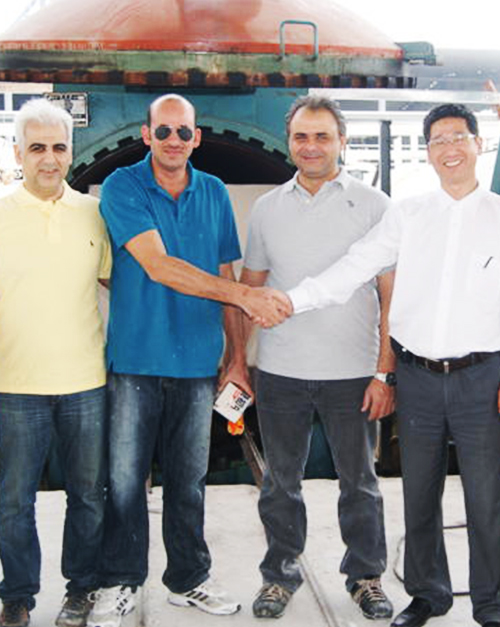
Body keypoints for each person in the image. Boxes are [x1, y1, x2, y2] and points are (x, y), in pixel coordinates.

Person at [280, 103, 500, 627]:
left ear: (478, 144)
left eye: (458, 137)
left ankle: (492, 604)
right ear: (427, 152)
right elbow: (354, 267)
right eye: (438, 141)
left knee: (486, 497)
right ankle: (427, 594)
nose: (449, 149)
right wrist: (291, 300)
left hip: (481, 377)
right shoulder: (408, 215)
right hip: (418, 377)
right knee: (418, 492)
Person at [87, 94, 285, 627]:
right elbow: (158, 266)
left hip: (198, 364)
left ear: (196, 138)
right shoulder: (124, 186)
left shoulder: (213, 191)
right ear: (146, 135)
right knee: (125, 481)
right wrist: (247, 296)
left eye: (182, 132)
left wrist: (237, 359)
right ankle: (120, 581)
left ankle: (189, 579)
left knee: (188, 480)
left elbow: (224, 273)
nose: (173, 140)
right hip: (135, 362)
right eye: (163, 131)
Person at [225, 95, 396, 620]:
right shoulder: (268, 209)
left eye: (322, 136)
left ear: (342, 141)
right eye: (301, 136)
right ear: (289, 142)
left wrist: (384, 370)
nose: (311, 146)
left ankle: (365, 576)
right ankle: (279, 576)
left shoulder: (375, 205)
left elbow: (391, 295)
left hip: (352, 374)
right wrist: (237, 362)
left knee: (360, 483)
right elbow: (249, 290)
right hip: (281, 373)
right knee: (280, 483)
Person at [0, 99, 111, 627]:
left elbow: (120, 282)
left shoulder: (94, 214)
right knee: (12, 501)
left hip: (85, 381)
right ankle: (17, 596)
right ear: (17, 152)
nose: (49, 158)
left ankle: (81, 590)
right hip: (13, 383)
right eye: (37, 147)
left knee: (88, 496)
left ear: (71, 152)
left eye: (59, 147)